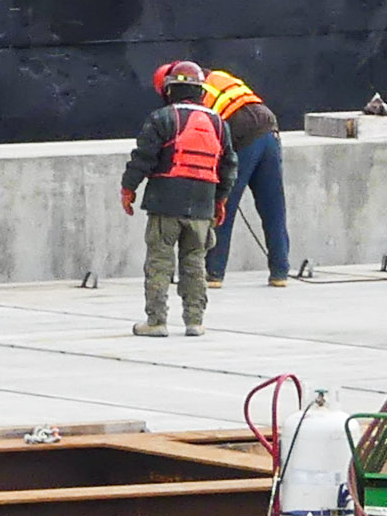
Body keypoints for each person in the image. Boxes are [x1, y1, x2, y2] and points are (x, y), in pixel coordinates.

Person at [119, 60, 239, 337]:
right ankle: (194, 321)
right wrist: (219, 201)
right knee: (195, 263)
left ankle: (157, 321)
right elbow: (229, 166)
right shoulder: (218, 123)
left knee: (160, 263)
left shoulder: (162, 118)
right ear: (201, 91)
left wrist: (129, 188)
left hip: (165, 204)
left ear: (170, 90)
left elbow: (143, 159)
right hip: (202, 207)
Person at [196, 63, 291, 289]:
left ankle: (214, 272)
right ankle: (280, 272)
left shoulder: (196, 95)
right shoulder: (220, 77)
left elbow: (203, 135)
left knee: (222, 207)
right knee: (273, 207)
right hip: (269, 128)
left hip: (242, 134)